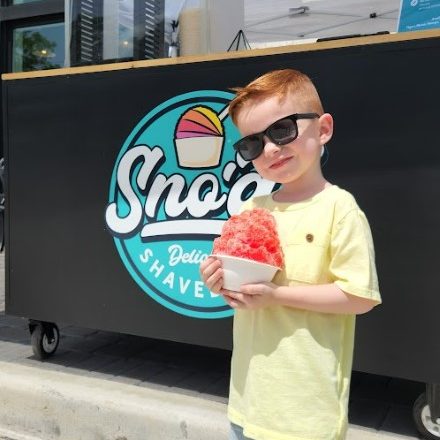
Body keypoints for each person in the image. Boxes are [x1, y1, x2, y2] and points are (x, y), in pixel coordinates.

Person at [199, 69, 381, 440]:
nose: (269, 149)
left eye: (282, 130)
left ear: (323, 128)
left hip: (305, 414)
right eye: (251, 144)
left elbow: (359, 297)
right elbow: (245, 296)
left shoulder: (339, 208)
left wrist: (277, 296)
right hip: (247, 402)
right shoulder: (252, 207)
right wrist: (220, 282)